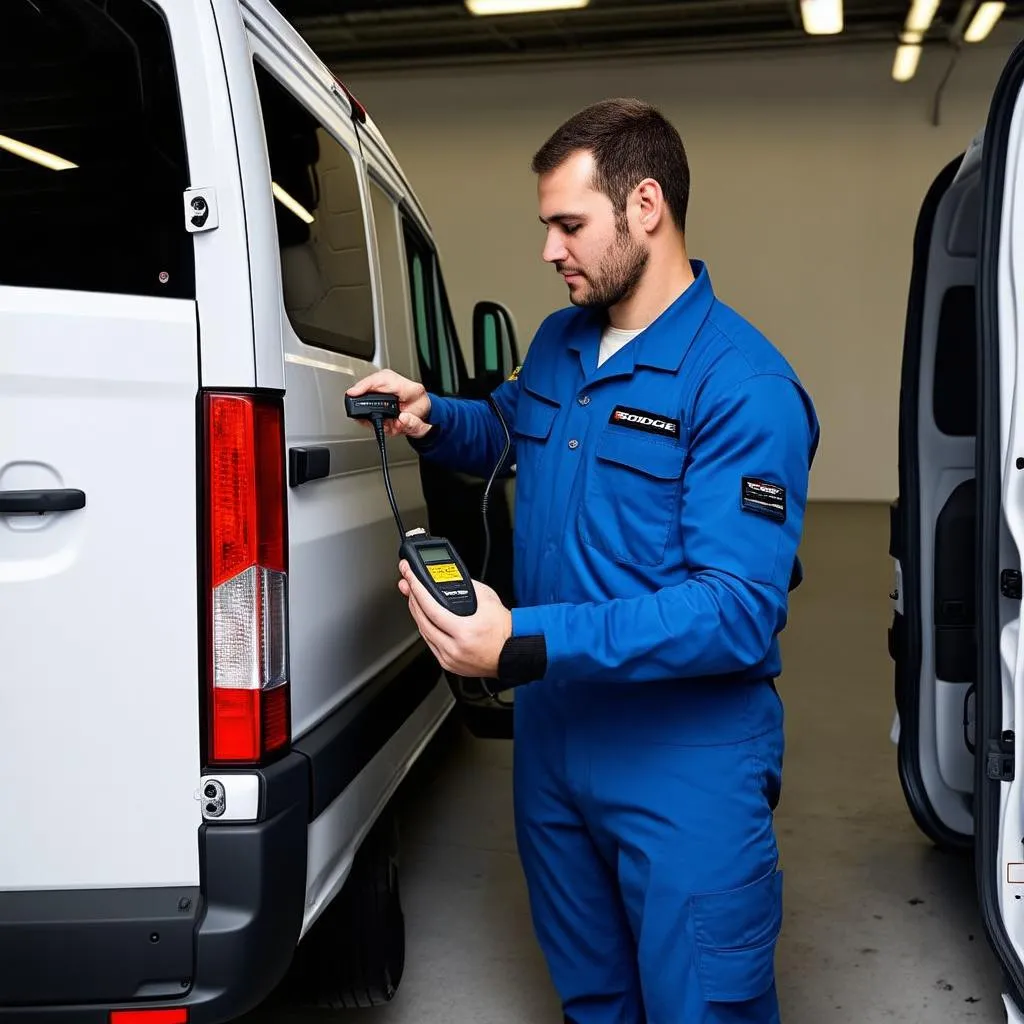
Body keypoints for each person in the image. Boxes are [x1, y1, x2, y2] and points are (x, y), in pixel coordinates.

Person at [348, 98, 819, 1024]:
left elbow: (734, 608)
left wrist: (517, 639)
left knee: (702, 1007)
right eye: (547, 227)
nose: (550, 250)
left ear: (646, 205)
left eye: (570, 224)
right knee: (593, 997)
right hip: (558, 747)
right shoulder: (563, 339)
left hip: (682, 757)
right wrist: (435, 415)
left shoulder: (743, 386)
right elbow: (519, 431)